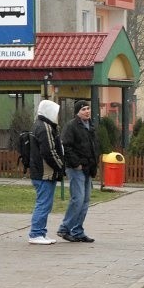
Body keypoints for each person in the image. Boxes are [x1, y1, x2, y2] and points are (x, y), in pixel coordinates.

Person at [57, 100, 99, 243]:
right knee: (78, 199)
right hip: (76, 168)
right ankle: (64, 228)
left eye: (88, 108)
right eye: (83, 109)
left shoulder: (90, 126)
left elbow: (93, 147)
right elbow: (66, 147)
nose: (87, 111)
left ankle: (77, 230)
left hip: (88, 168)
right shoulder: (71, 126)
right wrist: (76, 164)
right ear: (77, 112)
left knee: (85, 200)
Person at [28, 99, 65, 245]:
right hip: (45, 173)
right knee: (43, 203)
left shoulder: (38, 125)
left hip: (40, 171)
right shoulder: (45, 128)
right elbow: (49, 151)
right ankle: (36, 233)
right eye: (55, 112)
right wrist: (61, 166)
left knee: (44, 203)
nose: (57, 115)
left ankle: (40, 232)